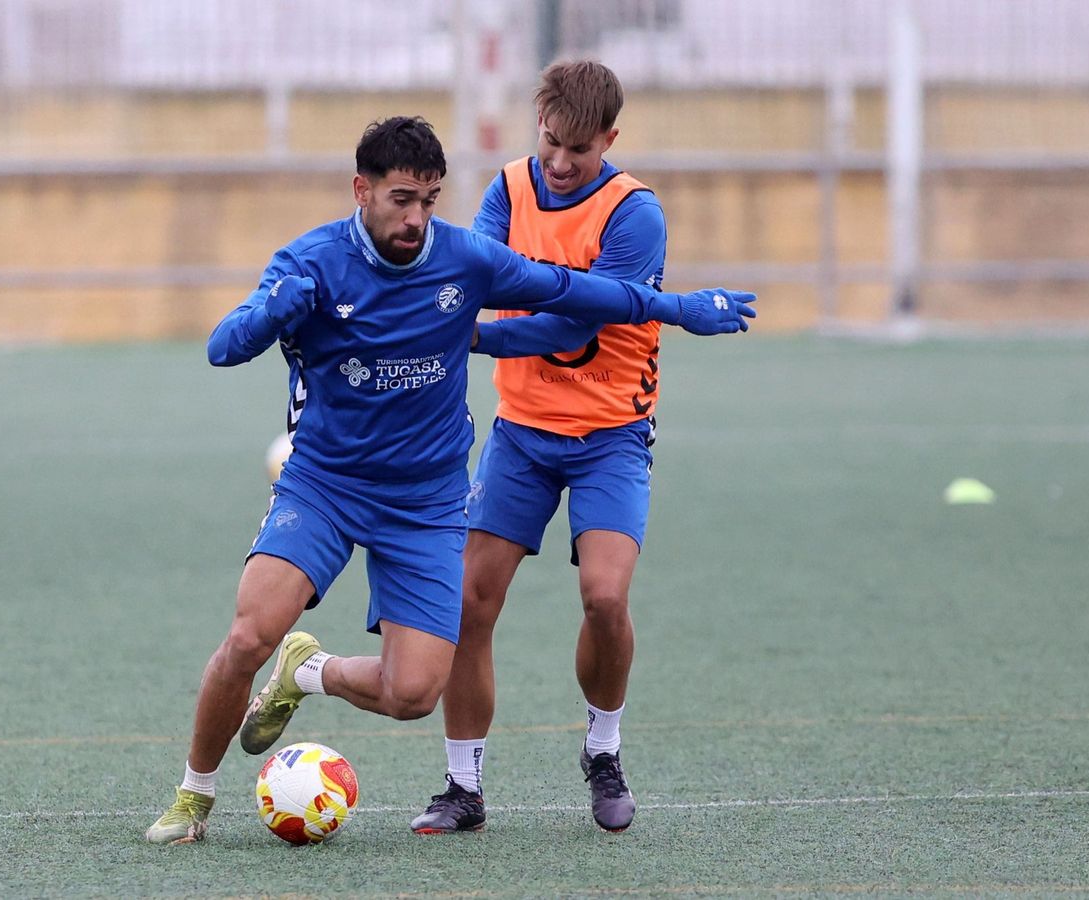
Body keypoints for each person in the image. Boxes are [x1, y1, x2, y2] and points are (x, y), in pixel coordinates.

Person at [144, 115, 755, 845]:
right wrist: (269, 312)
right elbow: (223, 347)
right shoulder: (309, 262)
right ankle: (193, 798)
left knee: (412, 694)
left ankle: (309, 672)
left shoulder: (464, 258)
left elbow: (575, 292)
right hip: (324, 487)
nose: (416, 218)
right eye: (401, 198)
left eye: (429, 200)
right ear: (361, 189)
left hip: (426, 503)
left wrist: (676, 309)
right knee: (248, 635)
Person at [409, 60, 671, 835]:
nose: (559, 164)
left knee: (605, 596)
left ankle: (604, 749)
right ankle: (463, 787)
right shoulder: (508, 189)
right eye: (550, 142)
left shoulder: (635, 213)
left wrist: (472, 337)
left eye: (578, 151)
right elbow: (481, 275)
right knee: (466, 602)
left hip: (610, 436)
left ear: (611, 140)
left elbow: (570, 324)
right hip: (522, 434)